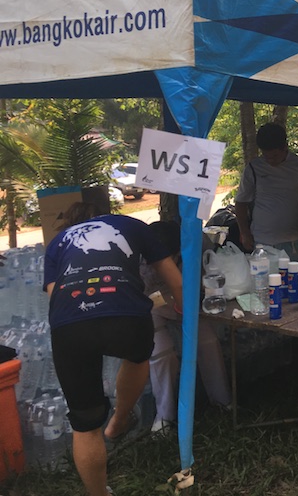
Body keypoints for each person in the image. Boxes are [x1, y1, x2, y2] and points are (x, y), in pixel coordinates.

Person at [43, 203, 183, 496]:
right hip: (126, 314)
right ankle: (119, 419)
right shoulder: (130, 225)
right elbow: (171, 275)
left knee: (85, 423)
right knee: (138, 356)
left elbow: (55, 296)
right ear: (106, 212)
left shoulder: (59, 242)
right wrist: (183, 305)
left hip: (69, 324)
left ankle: (99, 493)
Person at [144, 221, 231, 433]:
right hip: (152, 306)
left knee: (208, 341)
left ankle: (222, 402)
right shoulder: (139, 256)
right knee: (161, 353)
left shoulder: (196, 247)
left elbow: (207, 281)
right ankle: (164, 416)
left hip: (189, 303)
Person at [235, 122, 298, 262]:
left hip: (295, 242)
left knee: (296, 281)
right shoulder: (253, 168)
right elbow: (240, 203)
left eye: (275, 156)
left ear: (285, 147)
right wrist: (244, 233)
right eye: (266, 156)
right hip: (261, 242)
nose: (270, 160)